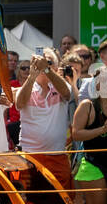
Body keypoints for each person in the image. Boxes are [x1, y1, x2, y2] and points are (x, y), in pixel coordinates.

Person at [15, 48, 72, 192]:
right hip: (29, 157)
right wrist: (32, 76)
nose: (43, 64)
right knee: (30, 203)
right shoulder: (28, 86)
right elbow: (20, 103)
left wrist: (46, 70)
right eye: (39, 62)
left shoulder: (62, 86)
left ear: (57, 68)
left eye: (49, 62)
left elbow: (66, 93)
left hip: (57, 157)